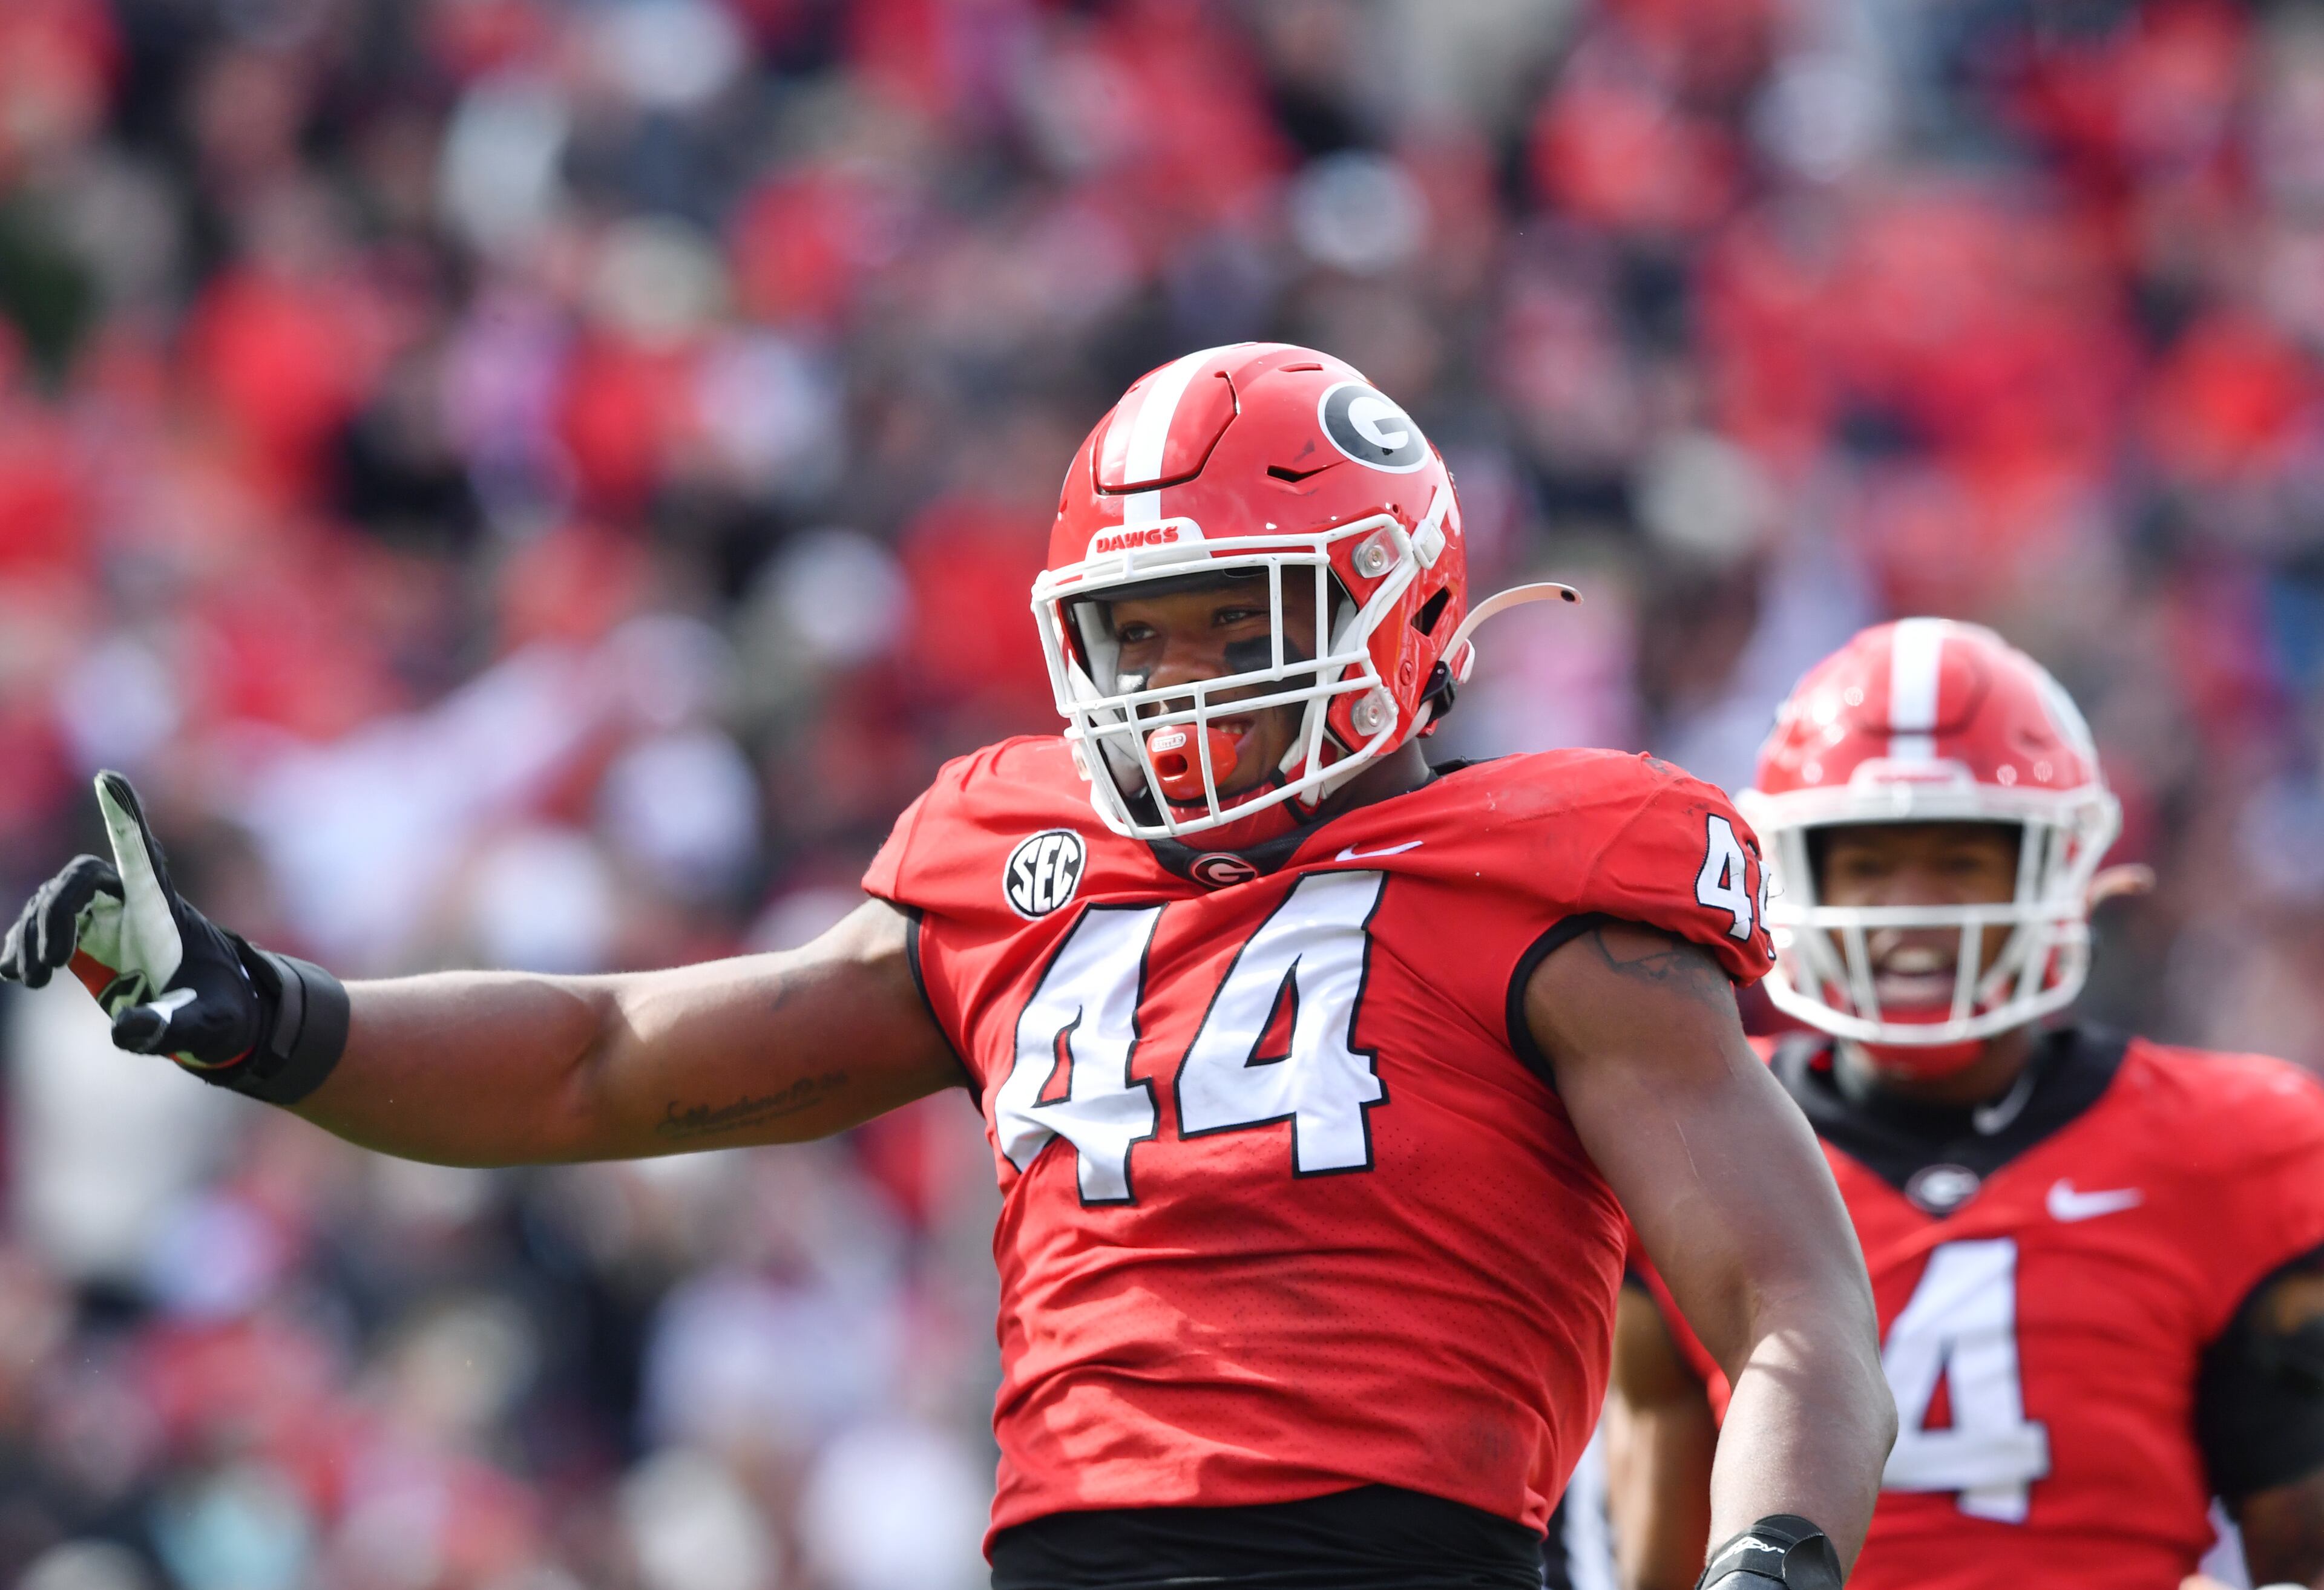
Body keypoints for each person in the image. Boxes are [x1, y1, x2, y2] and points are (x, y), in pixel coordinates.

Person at [2, 344, 1894, 1590]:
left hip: (1403, 1553)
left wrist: (1774, 1551)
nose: (1176, 681)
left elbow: (1794, 1305)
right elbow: (614, 1059)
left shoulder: (1553, 865)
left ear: (1401, 603)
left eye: (1234, 618)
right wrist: (273, 1013)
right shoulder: (1015, 854)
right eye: (1135, 635)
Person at [1604, 618, 2324, 1590]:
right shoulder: (1686, 1136)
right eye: (1865, 865)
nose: (1913, 910)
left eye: (1962, 861)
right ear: (1792, 874)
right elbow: (1660, 1561)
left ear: (2061, 869)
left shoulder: (2237, 1146)